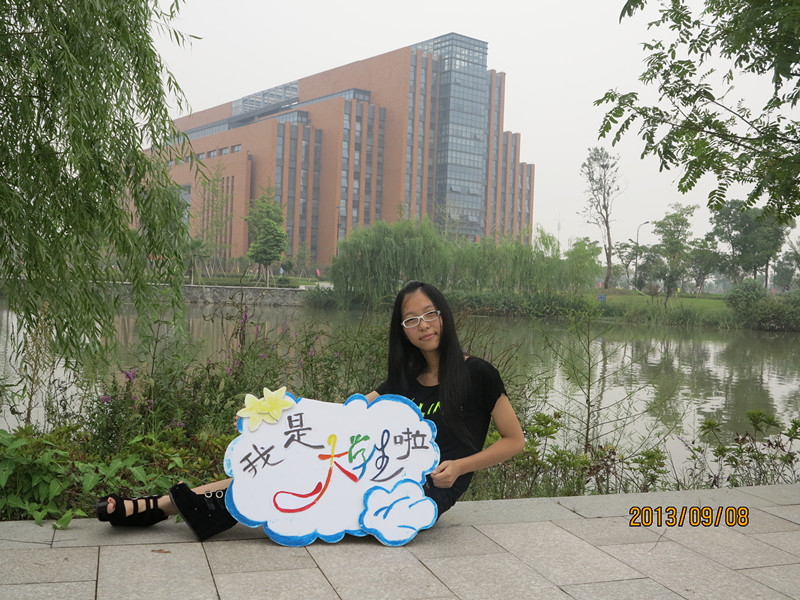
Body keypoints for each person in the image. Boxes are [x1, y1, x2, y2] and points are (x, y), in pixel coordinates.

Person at [96, 281, 525, 540]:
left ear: (444, 316)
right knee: (293, 461)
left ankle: (165, 507)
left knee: (297, 478)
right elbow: (344, 414)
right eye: (411, 320)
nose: (423, 325)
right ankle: (163, 506)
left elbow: (514, 441)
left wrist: (459, 467)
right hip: (381, 475)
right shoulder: (404, 380)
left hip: (423, 493)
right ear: (403, 331)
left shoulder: (478, 374)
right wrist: (271, 419)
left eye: (430, 314)